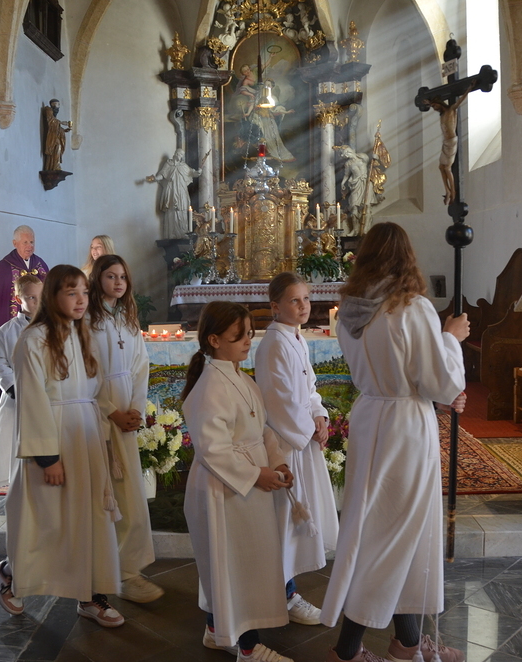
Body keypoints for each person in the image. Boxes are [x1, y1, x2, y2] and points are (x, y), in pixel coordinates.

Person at [319, 223, 469, 662]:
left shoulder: (350, 309)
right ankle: (347, 650)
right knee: (394, 537)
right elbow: (439, 381)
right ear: (406, 256)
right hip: (404, 424)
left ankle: (407, 641)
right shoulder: (410, 307)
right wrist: (451, 338)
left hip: (371, 417)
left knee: (391, 531)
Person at [0, 265, 124, 627]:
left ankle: (90, 595)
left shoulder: (84, 333)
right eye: (71, 293)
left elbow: (94, 390)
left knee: (89, 520)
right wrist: (47, 457)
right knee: (48, 522)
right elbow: (33, 401)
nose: (81, 300)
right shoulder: (33, 339)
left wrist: (110, 420)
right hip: (52, 440)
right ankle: (11, 576)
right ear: (53, 296)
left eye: (84, 292)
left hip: (85, 438)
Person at [182, 301, 295, 662]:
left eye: (249, 333)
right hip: (224, 489)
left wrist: (277, 461)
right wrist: (256, 474)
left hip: (248, 486)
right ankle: (248, 648)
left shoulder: (243, 379)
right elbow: (213, 450)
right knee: (234, 568)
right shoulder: (209, 386)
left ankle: (216, 629)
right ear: (214, 340)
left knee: (243, 564)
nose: (248, 341)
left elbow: (262, 430)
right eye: (238, 336)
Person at [254, 272, 338, 627]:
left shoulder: (297, 338)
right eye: (294, 300)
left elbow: (309, 387)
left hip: (302, 439)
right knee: (287, 521)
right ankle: (283, 595)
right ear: (275, 306)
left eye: (306, 298)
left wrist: (319, 416)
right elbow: (280, 402)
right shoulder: (273, 344)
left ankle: (285, 591)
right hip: (287, 446)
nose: (303, 306)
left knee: (297, 519)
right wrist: (309, 432)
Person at [87, 254, 164, 603]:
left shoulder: (128, 320)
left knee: (130, 491)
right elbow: (87, 373)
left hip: (126, 412)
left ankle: (128, 568)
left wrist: (135, 408)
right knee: (106, 492)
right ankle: (107, 569)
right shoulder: (88, 320)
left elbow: (141, 366)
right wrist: (111, 412)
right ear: (97, 279)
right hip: (99, 414)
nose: (118, 282)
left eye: (122, 277)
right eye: (110, 276)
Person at [0, 274, 44, 487]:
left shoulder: (52, 326)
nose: (37, 302)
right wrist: (13, 388)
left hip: (46, 393)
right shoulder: (6, 330)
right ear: (18, 298)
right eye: (31, 297)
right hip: (17, 396)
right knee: (14, 441)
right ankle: (14, 479)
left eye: (40, 297)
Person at [0, 225, 49, 403]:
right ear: (15, 243)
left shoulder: (40, 264)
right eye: (25, 242)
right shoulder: (4, 267)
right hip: (13, 325)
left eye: (32, 242)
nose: (30, 246)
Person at [147, 149, 201, 239]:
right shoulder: (168, 164)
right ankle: (171, 234)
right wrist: (155, 178)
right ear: (175, 154)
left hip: (181, 190)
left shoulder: (183, 165)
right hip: (172, 190)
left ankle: (183, 232)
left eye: (182, 155)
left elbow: (192, 173)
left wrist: (198, 172)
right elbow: (163, 174)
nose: (180, 156)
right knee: (171, 209)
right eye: (179, 154)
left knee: (182, 209)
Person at [44, 98, 72, 171]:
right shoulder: (49, 111)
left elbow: (56, 128)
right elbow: (51, 122)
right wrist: (61, 122)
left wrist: (64, 130)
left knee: (58, 148)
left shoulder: (54, 116)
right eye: (57, 104)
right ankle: (54, 166)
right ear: (52, 104)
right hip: (52, 137)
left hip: (55, 136)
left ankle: (55, 165)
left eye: (59, 105)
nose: (58, 106)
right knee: (57, 146)